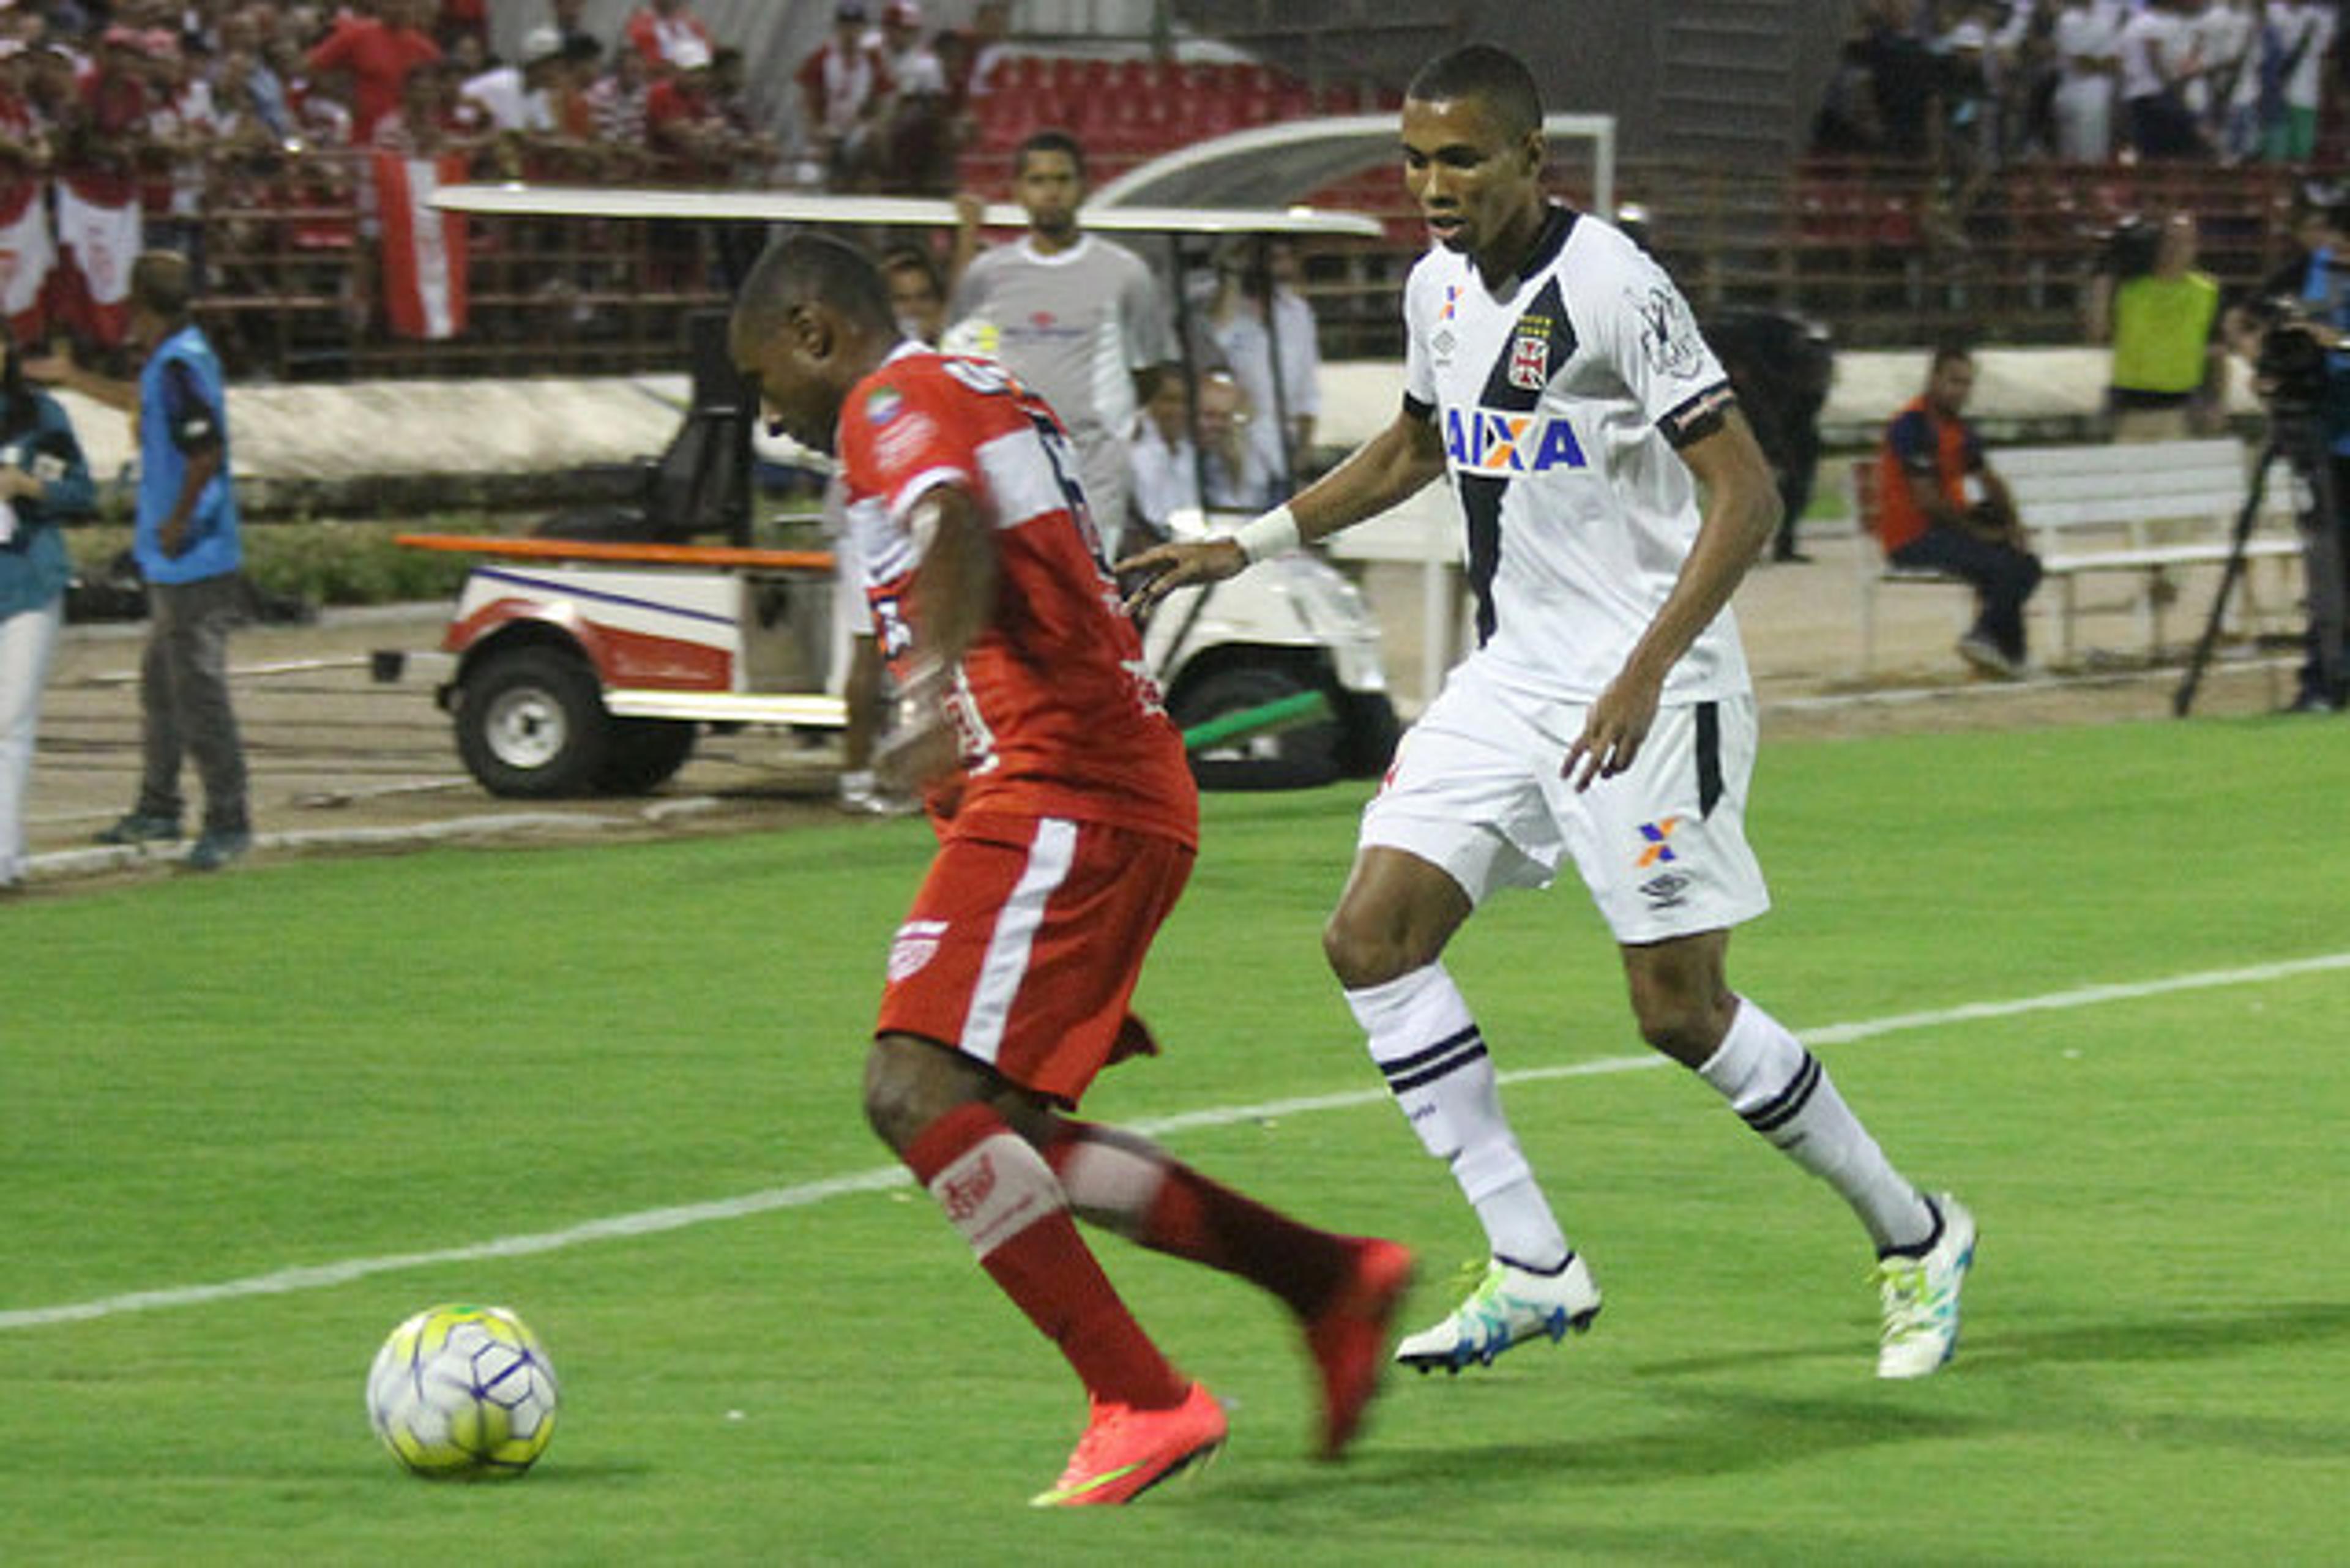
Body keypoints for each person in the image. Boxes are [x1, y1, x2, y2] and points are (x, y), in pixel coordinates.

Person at [1122, 44, 1976, 1382]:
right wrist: (1252, 543)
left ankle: (1917, 1233)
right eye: (1414, 161)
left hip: (1653, 685)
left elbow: (1746, 494)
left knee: (1678, 1011)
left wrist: (1641, 668)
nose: (1433, 184)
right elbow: (1415, 445)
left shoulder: (1616, 288)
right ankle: (1534, 1262)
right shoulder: (1436, 287)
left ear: (1532, 158)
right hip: (1515, 680)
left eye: (1461, 157)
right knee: (1370, 938)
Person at [729, 231, 1413, 1504]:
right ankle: (1328, 1281)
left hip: (1064, 785)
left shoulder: (892, 399)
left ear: (816, 332)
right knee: (1012, 1133)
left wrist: (930, 689)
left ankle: (1140, 1396)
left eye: (767, 378)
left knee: (912, 1091)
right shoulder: (979, 385)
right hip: (1096, 785)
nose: (773, 413)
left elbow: (947, 525)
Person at [32, 250, 252, 870]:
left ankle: (228, 820)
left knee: (198, 692)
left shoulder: (179, 364)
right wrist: (74, 379)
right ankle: (159, 806)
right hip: (176, 557)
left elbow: (202, 452)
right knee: (162, 689)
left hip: (193, 558)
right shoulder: (178, 359)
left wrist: (179, 519)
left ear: (138, 303)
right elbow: (143, 403)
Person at [949, 129, 1173, 560]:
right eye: (1038, 181)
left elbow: (1146, 373)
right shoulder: (989, 274)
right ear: (1018, 190)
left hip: (1093, 481)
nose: (1051, 193)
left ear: (1083, 186)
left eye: (1062, 180)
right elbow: (958, 353)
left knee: (1082, 609)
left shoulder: (1125, 274)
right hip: (1009, 480)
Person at [1876, 343, 2045, 679]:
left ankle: (2006, 651)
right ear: (1934, 379)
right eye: (1954, 381)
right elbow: (1927, 500)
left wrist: (2012, 524)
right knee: (2003, 567)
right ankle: (1989, 639)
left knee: (2023, 563)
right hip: (1912, 537)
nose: (1960, 391)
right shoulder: (1911, 426)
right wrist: (1979, 532)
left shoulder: (1958, 430)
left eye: (1966, 384)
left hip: (1944, 531)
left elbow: (1988, 479)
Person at [0, 329, 95, 894]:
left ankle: (4, 857)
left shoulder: (39, 414)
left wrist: (29, 485)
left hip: (27, 582)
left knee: (9, 718)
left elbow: (82, 493)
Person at [2087, 211, 2228, 441]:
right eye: (2170, 241)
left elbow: (2216, 353)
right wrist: (2103, 278)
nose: (2176, 249)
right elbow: (2097, 333)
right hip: (2130, 407)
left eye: (2185, 241)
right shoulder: (2128, 289)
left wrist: (2218, 401)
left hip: (2180, 408)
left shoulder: (2207, 292)